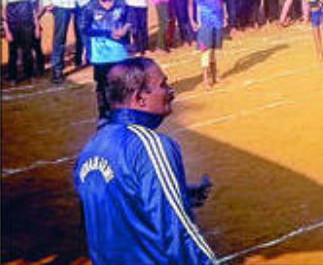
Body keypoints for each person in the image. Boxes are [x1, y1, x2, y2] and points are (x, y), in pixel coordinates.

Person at [73, 57, 217, 265]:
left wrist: (179, 193)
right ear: (140, 97)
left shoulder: (91, 149)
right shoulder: (150, 145)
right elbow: (177, 230)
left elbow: (108, 209)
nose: (171, 91)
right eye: (163, 85)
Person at [82, 0, 131, 121]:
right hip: (101, 54)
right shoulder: (89, 7)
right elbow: (85, 29)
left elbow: (129, 18)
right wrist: (108, 33)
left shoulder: (121, 3)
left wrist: (125, 29)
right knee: (102, 84)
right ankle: (103, 113)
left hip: (119, 52)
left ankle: (122, 110)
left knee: (122, 82)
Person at [189, 0, 227, 90]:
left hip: (217, 20)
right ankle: (205, 78)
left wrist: (224, 16)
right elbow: (190, 4)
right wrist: (192, 20)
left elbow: (222, 2)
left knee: (213, 49)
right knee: (205, 50)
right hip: (204, 21)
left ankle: (214, 75)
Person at [4, 0, 42, 83]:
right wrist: (7, 31)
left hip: (28, 27)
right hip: (13, 28)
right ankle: (13, 76)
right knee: (13, 53)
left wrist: (36, 27)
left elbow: (33, 12)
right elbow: (4, 15)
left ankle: (29, 74)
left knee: (27, 51)